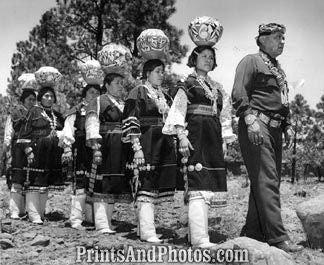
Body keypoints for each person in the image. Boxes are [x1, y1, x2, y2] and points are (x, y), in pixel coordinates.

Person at [231, 23, 302, 252]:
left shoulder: (278, 69)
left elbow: (282, 100)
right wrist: (249, 119)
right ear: (262, 39)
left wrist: (288, 124)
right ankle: (277, 237)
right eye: (277, 37)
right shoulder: (251, 61)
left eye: (284, 38)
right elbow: (239, 92)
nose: (282, 41)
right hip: (256, 124)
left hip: (275, 129)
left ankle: (253, 231)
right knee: (268, 180)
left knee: (264, 181)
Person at [122, 58, 177, 243]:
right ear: (147, 73)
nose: (161, 75)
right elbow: (130, 120)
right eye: (157, 71)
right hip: (146, 142)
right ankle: (147, 232)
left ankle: (143, 229)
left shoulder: (165, 95)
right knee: (145, 185)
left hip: (163, 144)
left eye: (163, 71)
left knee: (154, 187)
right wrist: (137, 148)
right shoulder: (138, 92)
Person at [85, 46, 133, 234]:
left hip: (121, 148)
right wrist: (96, 145)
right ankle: (101, 224)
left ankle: (108, 221)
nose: (121, 86)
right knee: (102, 184)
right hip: (106, 146)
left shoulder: (124, 103)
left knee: (115, 183)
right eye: (117, 83)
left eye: (122, 83)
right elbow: (91, 121)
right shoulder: (99, 101)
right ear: (107, 85)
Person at [18, 66, 65, 224]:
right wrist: (28, 150)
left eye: (52, 96)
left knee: (45, 184)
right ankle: (33, 215)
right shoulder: (33, 111)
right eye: (46, 95)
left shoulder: (57, 115)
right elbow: (24, 132)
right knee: (33, 184)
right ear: (40, 97)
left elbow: (63, 132)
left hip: (51, 153)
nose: (49, 98)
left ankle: (41, 212)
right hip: (36, 152)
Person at [60, 71, 101, 229]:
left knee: (96, 185)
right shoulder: (76, 111)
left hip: (97, 151)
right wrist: (68, 148)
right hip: (81, 151)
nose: (95, 95)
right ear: (84, 94)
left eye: (98, 92)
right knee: (81, 184)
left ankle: (92, 219)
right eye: (92, 92)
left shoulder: (101, 110)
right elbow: (68, 130)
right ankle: (76, 220)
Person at [4, 74, 37, 219]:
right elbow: (8, 131)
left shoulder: (36, 113)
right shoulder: (15, 112)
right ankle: (14, 211)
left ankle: (26, 210)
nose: (32, 102)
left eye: (33, 99)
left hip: (32, 149)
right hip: (17, 149)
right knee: (17, 178)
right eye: (29, 99)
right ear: (23, 99)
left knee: (29, 179)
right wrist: (7, 150)